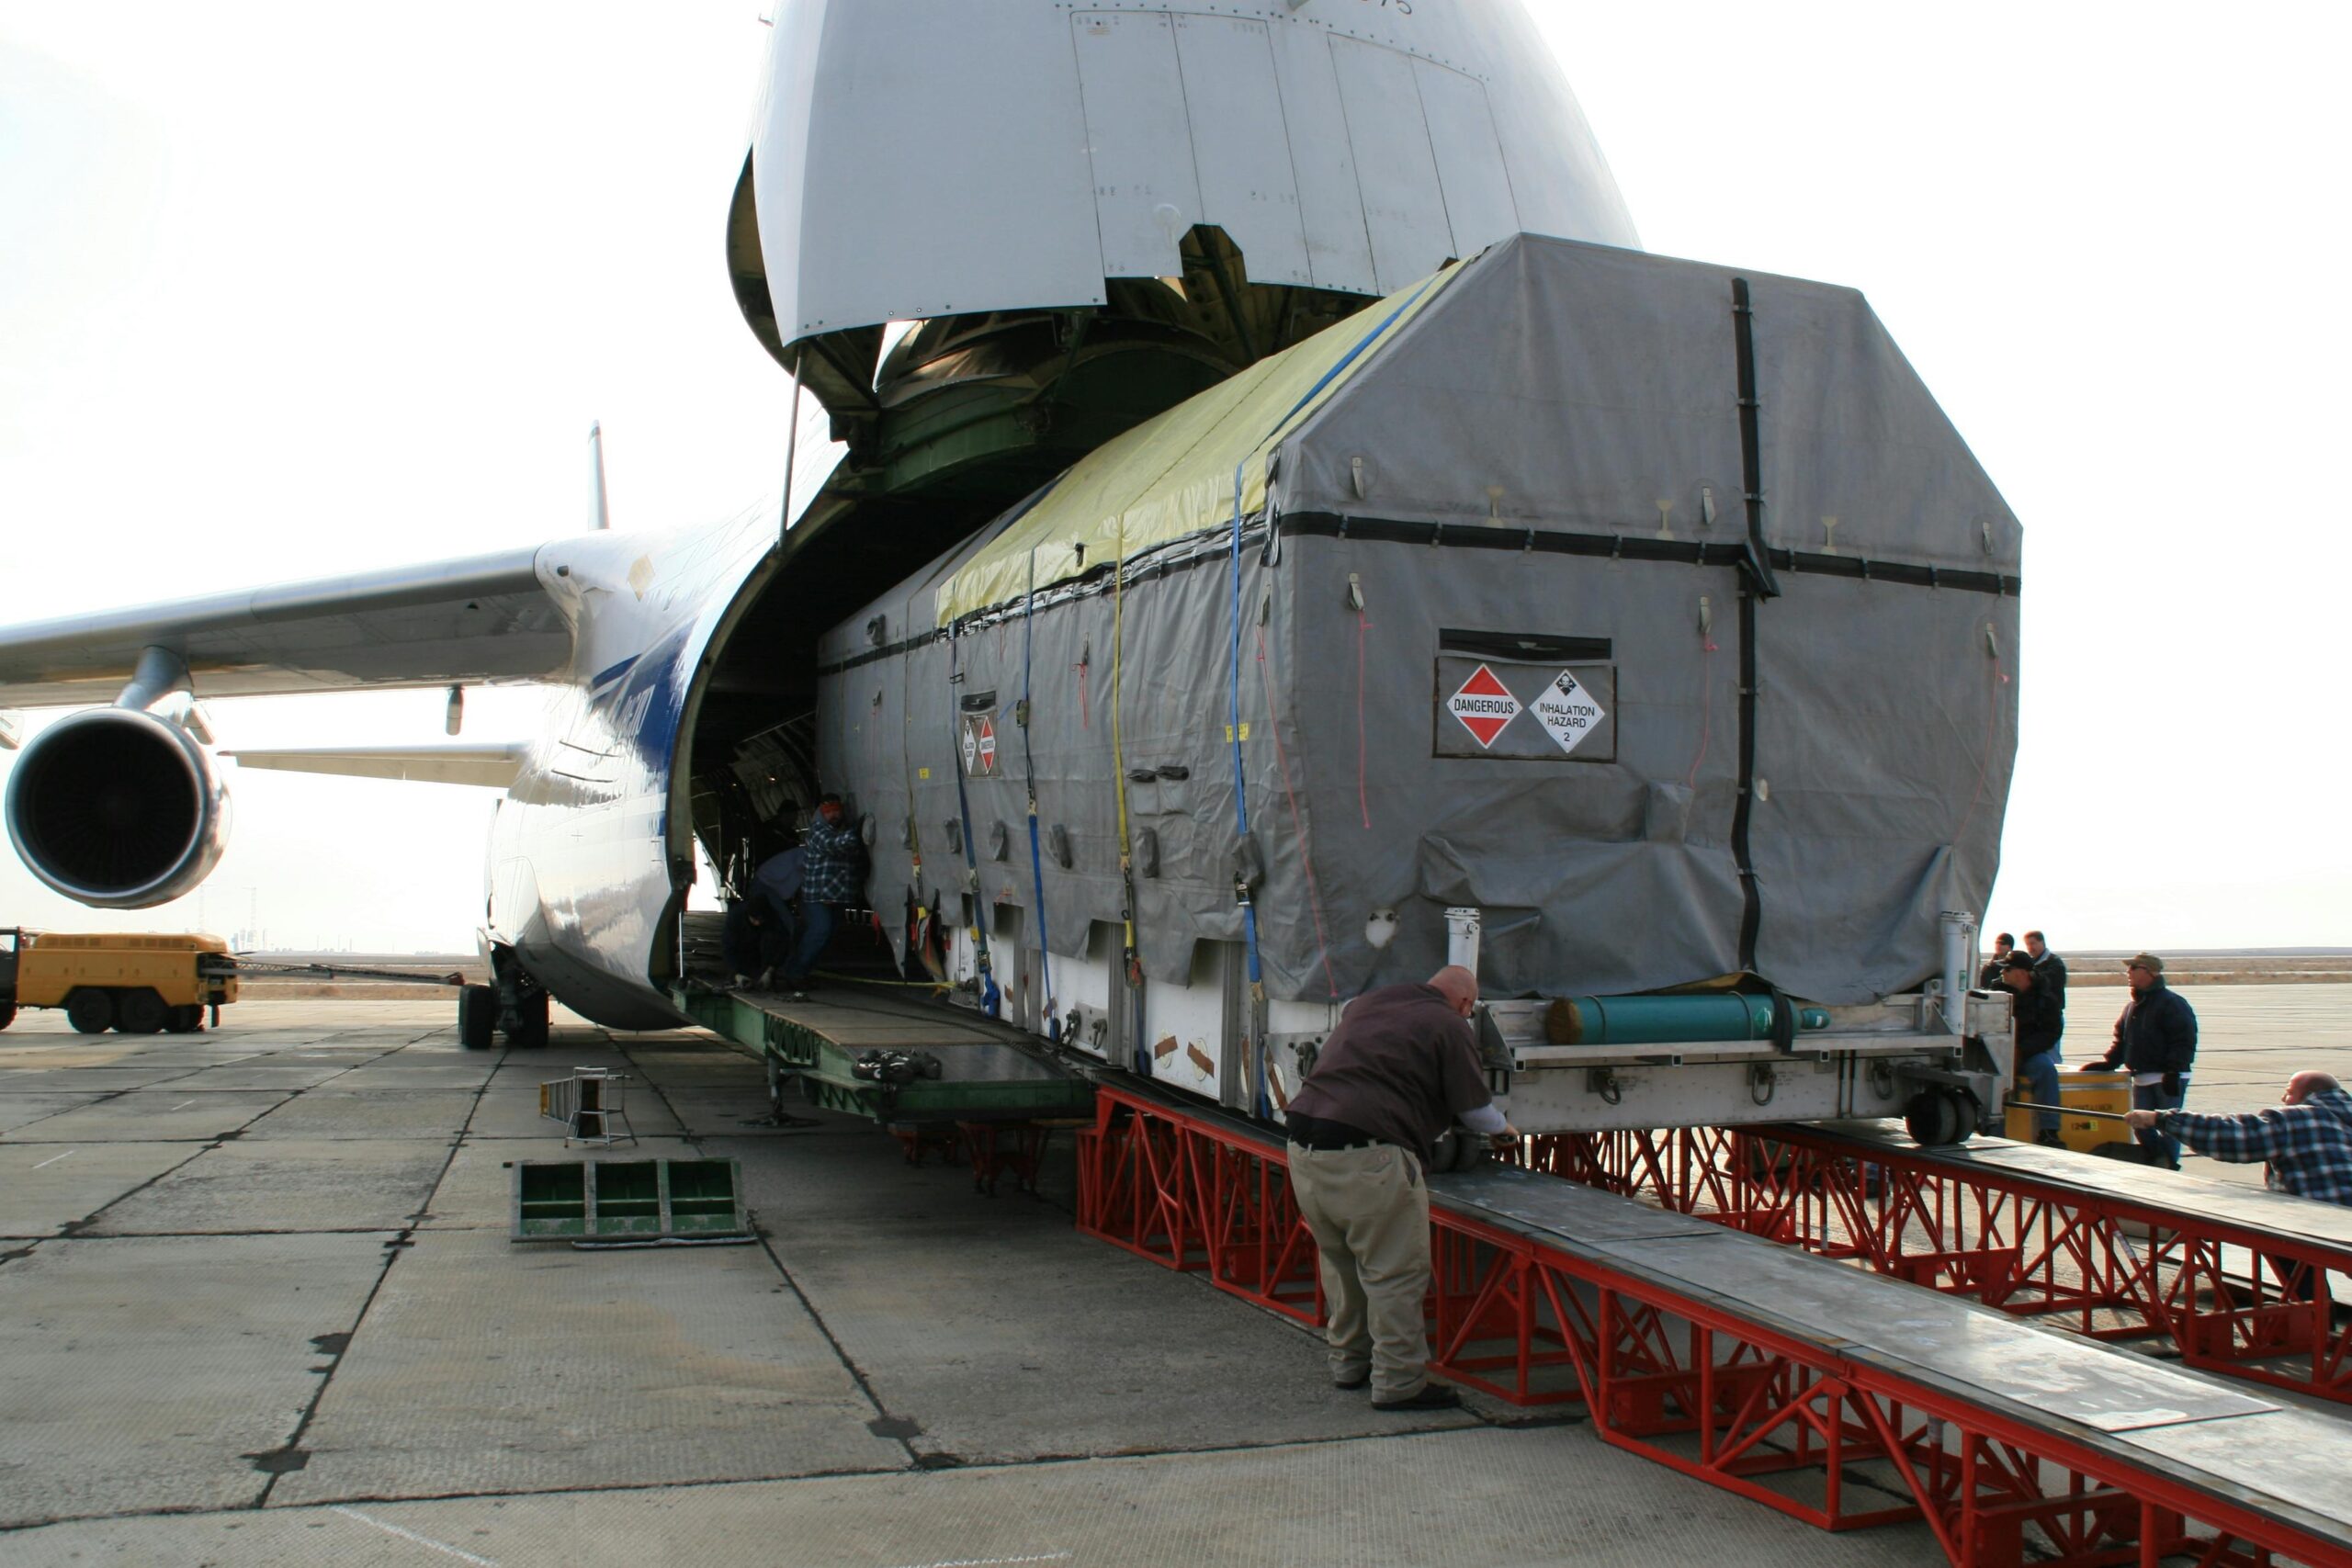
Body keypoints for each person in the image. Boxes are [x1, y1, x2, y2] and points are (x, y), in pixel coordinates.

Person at [1283, 965, 1518, 1412]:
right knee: (1394, 1273)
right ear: (1467, 1004)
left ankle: (1348, 1364)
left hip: (1304, 1144)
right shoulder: (1449, 1024)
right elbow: (1474, 1111)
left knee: (1341, 1262)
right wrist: (1507, 1129)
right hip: (1370, 1155)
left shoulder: (1370, 1002)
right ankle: (1399, 1383)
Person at [2124, 1071, 2352, 1206]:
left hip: (2327, 1221)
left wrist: (2161, 1120)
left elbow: (2232, 1136)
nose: (2283, 1098)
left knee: (2281, 1241)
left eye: (2289, 1092)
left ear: (2308, 1094)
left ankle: (2302, 1289)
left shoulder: (2299, 1118)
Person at [2083, 953, 2197, 1168]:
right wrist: (2109, 1062)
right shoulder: (2131, 1007)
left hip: (2168, 1078)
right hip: (2142, 1077)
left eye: (2135, 967)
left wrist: (2173, 1071)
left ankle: (2167, 1167)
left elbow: (2184, 1040)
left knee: (2169, 1127)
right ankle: (2161, 1162)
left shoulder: (2173, 1003)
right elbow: (2122, 1040)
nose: (2129, 972)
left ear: (2151, 972)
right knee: (2139, 1125)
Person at [784, 793, 866, 998]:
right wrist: (858, 830)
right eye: (829, 812)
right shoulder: (819, 831)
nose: (834, 815)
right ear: (821, 813)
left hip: (837, 895)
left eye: (837, 811)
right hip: (817, 895)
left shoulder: (841, 831)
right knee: (819, 931)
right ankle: (795, 972)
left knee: (826, 935)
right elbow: (835, 845)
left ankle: (802, 972)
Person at [2001, 949, 2064, 1145]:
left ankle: (2049, 1130)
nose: (2003, 973)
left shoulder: (2045, 997)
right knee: (1986, 1078)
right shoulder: (1996, 993)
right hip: (1998, 1052)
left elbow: (2051, 1032)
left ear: (2021, 973)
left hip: (2028, 1054)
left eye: (2007, 969)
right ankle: (1991, 1129)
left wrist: (2023, 1050)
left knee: (2046, 1069)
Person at [2023, 930, 2067, 1012]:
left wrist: (2029, 976)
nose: (2030, 947)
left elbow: (2048, 980)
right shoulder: (2030, 963)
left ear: (2042, 942)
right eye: (2027, 944)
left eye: (2033, 943)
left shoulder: (2055, 962)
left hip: (2052, 1011)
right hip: (2035, 1012)